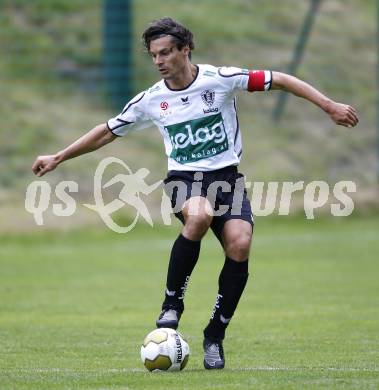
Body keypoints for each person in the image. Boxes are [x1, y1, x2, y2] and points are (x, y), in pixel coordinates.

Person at [32, 17, 359, 369]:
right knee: (199, 214)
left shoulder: (219, 81)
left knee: (240, 243)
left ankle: (214, 336)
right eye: (154, 55)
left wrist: (328, 105)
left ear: (185, 49)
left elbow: (279, 79)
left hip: (227, 180)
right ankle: (172, 304)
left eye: (166, 52)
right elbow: (107, 131)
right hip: (184, 181)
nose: (159, 61)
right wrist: (59, 156)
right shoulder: (151, 100)